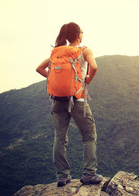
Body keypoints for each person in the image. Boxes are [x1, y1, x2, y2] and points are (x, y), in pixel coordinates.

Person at [36, 22, 103, 187]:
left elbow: (39, 68)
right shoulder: (84, 50)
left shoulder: (57, 52)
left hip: (57, 101)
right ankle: (88, 174)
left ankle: (62, 176)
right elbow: (94, 66)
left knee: (60, 137)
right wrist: (88, 79)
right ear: (79, 35)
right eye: (81, 32)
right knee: (88, 136)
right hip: (77, 100)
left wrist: (52, 78)